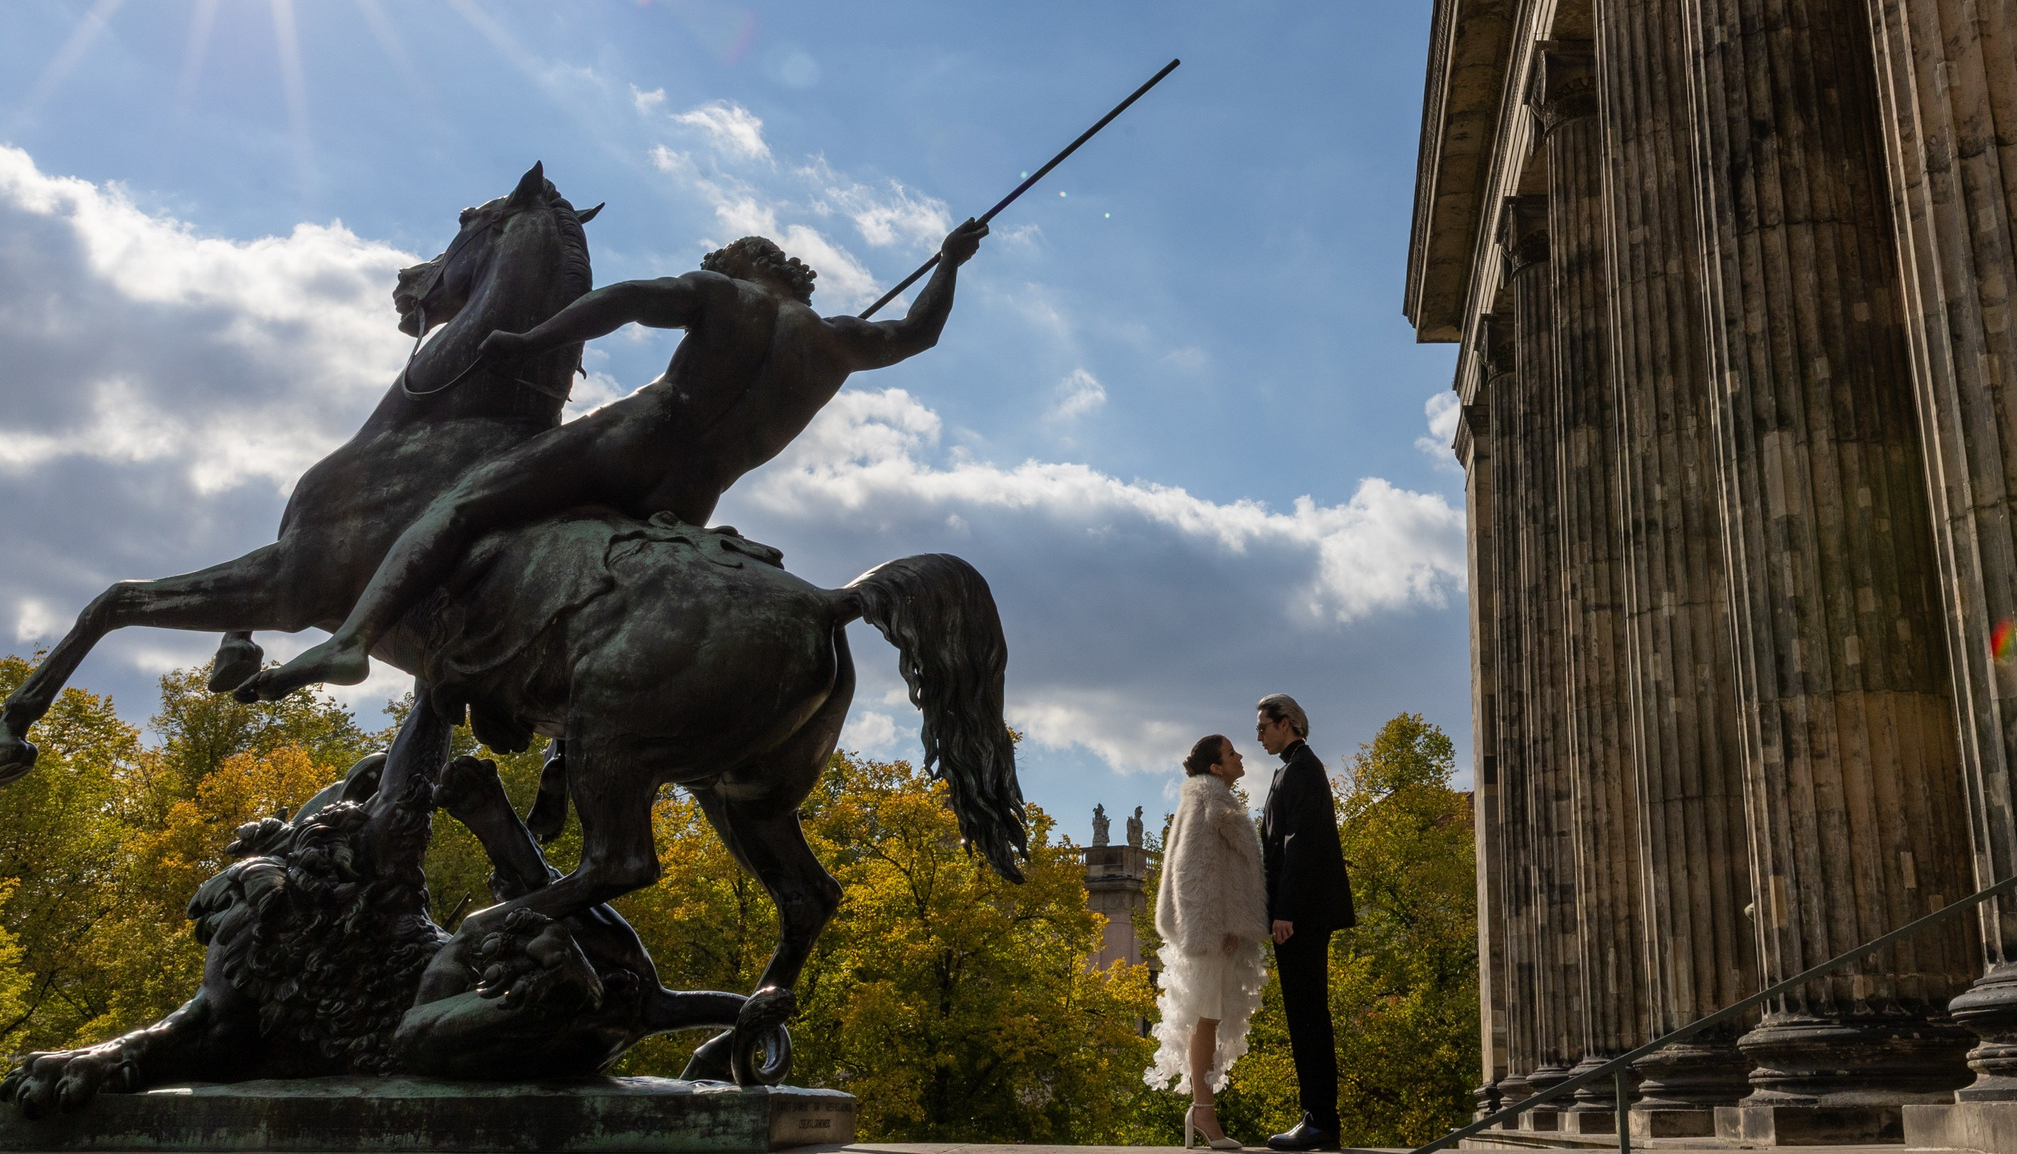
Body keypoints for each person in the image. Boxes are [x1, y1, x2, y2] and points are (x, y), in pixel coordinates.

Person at [236, 221, 986, 701]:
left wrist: (531, 342)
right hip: (691, 497)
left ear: (736, 260)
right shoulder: (838, 343)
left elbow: (627, 299)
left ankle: (349, 640)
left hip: (626, 443)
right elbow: (920, 330)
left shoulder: (724, 294)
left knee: (460, 506)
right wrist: (948, 262)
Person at [1146, 733, 1266, 1151]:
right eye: (1231, 753)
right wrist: (1219, 926)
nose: (1239, 757)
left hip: (1213, 930)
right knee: (1206, 1018)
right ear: (1216, 767)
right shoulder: (1208, 801)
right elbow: (1191, 870)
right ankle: (1203, 1111)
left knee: (1208, 1018)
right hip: (1210, 932)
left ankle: (1203, 1108)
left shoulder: (1211, 799)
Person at [1255, 693, 1356, 1153]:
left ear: (1288, 723)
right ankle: (1316, 1117)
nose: (1258, 734)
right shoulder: (1291, 769)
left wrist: (1285, 912)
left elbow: (1299, 846)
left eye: (1264, 726)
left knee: (1309, 1016)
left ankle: (1320, 1121)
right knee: (1304, 1016)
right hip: (1299, 913)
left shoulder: (1302, 770)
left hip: (1301, 916)